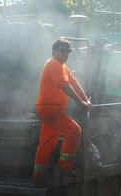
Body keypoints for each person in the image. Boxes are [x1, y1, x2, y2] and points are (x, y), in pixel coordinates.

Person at [32, 38, 93, 188]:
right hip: (50, 109)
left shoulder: (63, 67)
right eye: (62, 50)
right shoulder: (53, 64)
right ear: (54, 51)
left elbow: (74, 83)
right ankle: (64, 166)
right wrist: (81, 103)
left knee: (46, 145)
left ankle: (39, 179)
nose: (66, 53)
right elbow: (65, 86)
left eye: (68, 51)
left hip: (49, 110)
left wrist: (86, 100)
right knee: (74, 131)